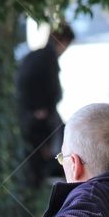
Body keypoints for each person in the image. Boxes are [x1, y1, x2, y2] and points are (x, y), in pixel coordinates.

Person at [16, 24, 75, 187]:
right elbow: (36, 85)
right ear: (63, 41)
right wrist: (38, 107)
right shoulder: (47, 59)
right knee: (42, 156)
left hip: (35, 115)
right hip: (39, 118)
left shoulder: (37, 56)